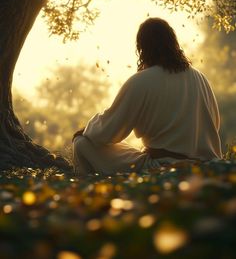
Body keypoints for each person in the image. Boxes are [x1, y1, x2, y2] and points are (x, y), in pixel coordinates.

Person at [72, 18, 222, 176]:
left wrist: (88, 129)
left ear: (142, 48)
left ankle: (88, 191)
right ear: (174, 43)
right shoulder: (200, 78)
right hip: (207, 166)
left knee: (82, 143)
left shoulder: (141, 80)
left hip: (161, 168)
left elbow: (108, 132)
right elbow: (214, 125)